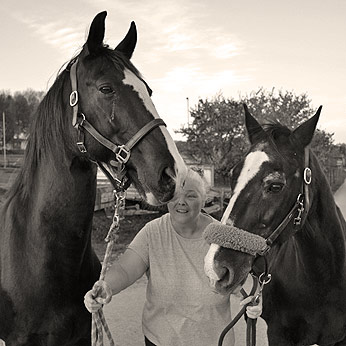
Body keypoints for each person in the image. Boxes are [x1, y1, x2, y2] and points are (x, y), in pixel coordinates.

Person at [84, 169, 262, 346]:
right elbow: (125, 269)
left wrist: (253, 302)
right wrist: (107, 286)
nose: (181, 202)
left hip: (214, 341)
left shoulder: (223, 237)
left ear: (204, 199)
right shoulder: (152, 232)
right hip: (160, 340)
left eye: (191, 196)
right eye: (174, 196)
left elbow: (244, 285)